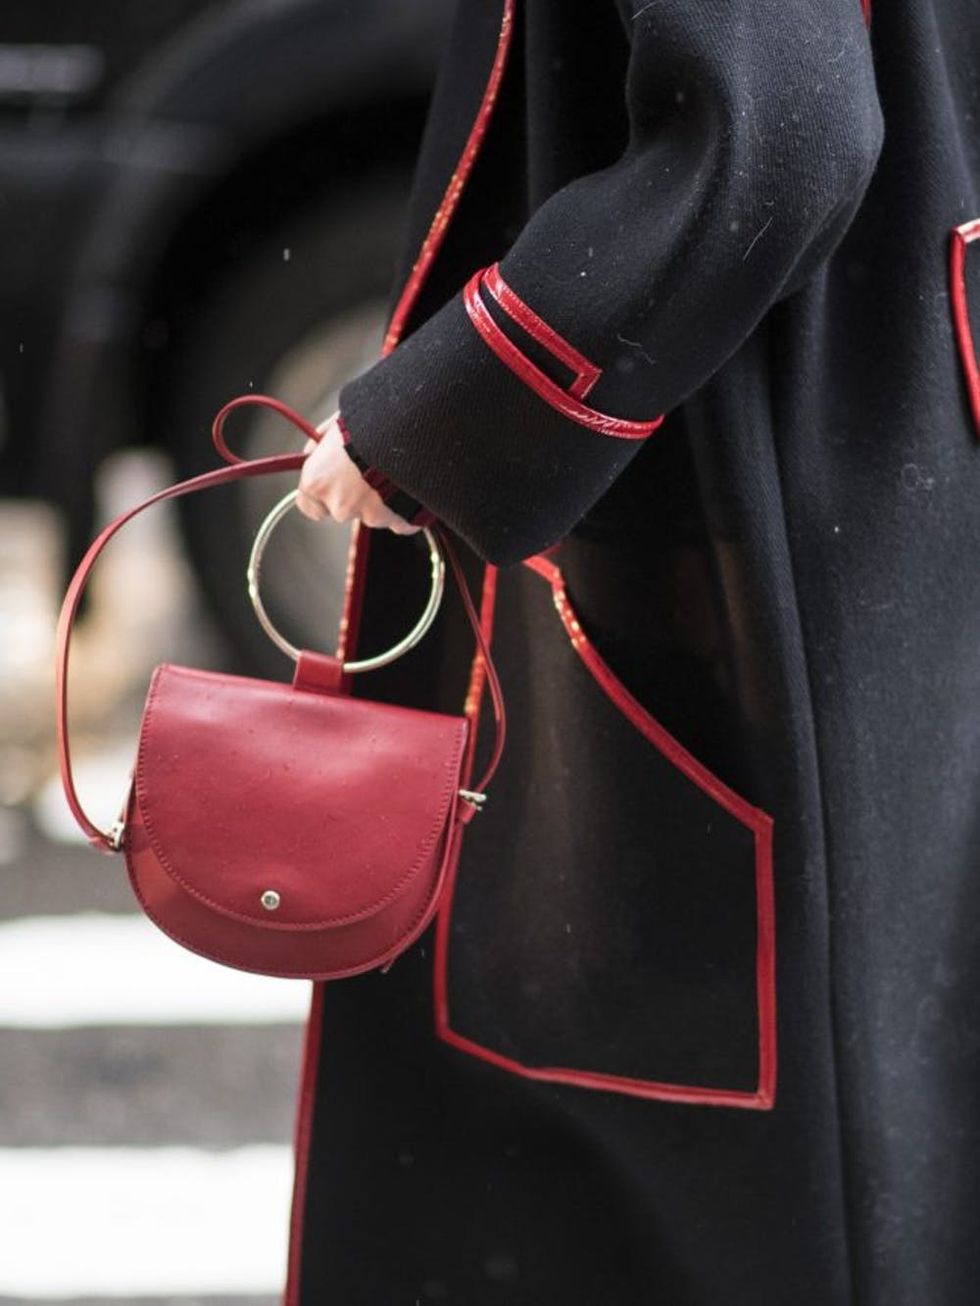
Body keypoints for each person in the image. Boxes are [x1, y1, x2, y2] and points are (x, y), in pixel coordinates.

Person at [286, 1, 980, 1302]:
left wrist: (456, 411)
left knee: (707, 1161)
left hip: (731, 499)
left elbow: (778, 139)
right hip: (840, 447)